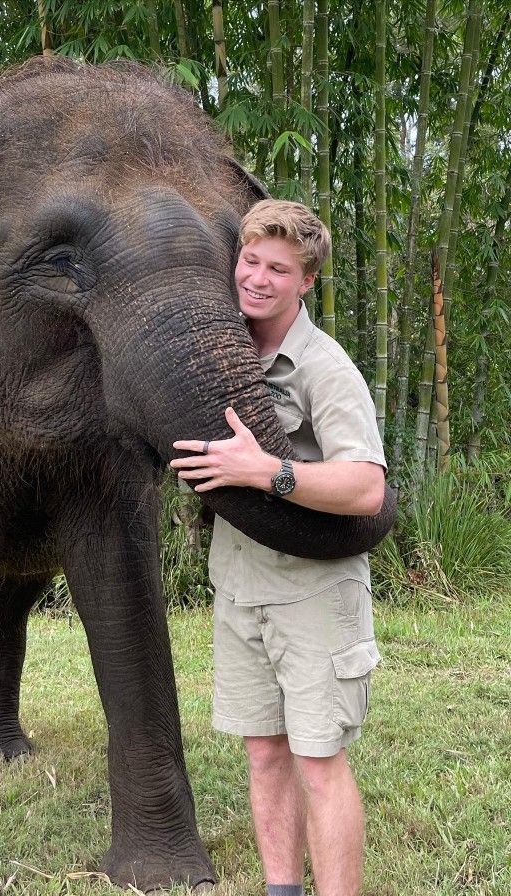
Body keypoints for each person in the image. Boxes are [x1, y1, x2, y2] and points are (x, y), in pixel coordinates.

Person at [170, 199, 387, 896]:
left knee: (319, 761)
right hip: (238, 586)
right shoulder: (223, 349)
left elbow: (364, 487)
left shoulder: (325, 369)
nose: (258, 278)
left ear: (306, 282)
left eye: (278, 269)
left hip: (315, 593)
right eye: (251, 261)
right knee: (265, 753)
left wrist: (266, 471)